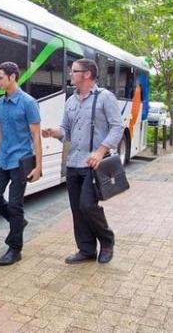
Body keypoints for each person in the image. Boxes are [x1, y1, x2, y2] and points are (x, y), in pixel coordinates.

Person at [42, 58, 123, 264]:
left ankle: (107, 240)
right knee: (77, 209)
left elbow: (117, 127)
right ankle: (86, 250)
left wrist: (100, 151)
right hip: (73, 163)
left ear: (87, 74)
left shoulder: (105, 98)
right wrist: (54, 132)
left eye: (74, 71)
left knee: (87, 206)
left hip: (93, 163)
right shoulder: (70, 101)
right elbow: (65, 130)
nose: (70, 74)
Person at [0, 61, 42, 266]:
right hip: (3, 158)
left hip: (21, 160)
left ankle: (15, 248)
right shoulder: (0, 103)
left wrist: (39, 166)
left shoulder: (28, 102)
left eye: (0, 77)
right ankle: (17, 223)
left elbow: (36, 136)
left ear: (12, 77)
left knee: (15, 204)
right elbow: (1, 132)